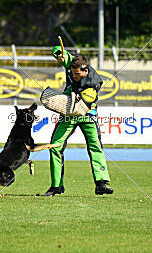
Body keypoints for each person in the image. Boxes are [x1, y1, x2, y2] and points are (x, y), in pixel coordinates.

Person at [41, 46, 114, 196]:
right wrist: (59, 55)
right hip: (69, 113)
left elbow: (80, 108)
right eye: (72, 73)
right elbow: (57, 50)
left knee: (95, 147)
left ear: (85, 71)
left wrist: (65, 99)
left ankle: (101, 183)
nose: (74, 76)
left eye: (77, 74)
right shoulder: (74, 64)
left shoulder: (92, 84)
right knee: (55, 146)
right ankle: (56, 186)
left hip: (86, 114)